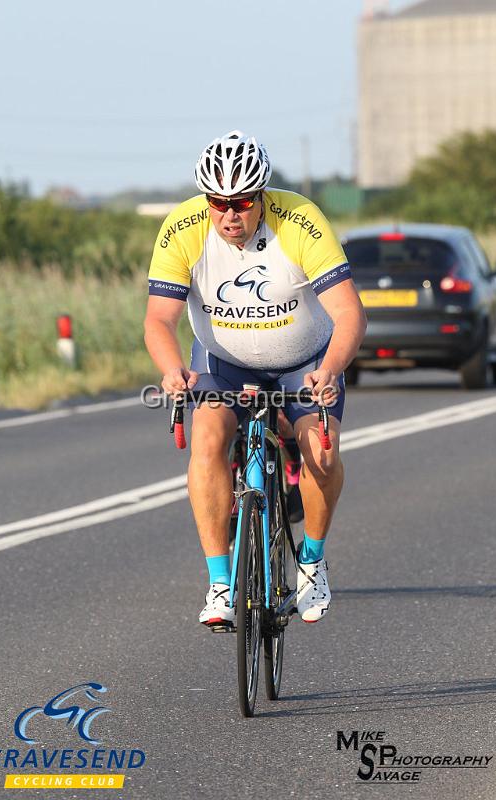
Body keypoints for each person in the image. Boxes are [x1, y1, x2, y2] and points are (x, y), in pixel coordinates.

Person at [144, 131, 366, 626]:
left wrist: (330, 370)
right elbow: (159, 319)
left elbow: (349, 313)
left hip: (305, 358)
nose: (230, 215)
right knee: (208, 438)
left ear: (262, 196)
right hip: (225, 361)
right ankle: (221, 584)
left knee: (321, 452)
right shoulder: (183, 229)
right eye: (218, 203)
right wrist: (172, 370)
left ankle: (311, 561)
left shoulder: (301, 221)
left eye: (242, 203)